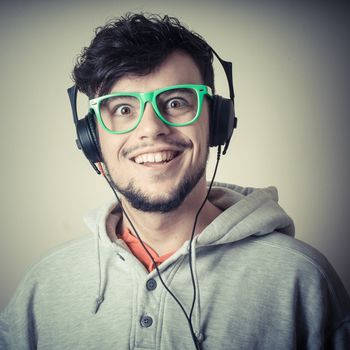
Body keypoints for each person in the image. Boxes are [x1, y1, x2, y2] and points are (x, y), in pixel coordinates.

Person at [1, 13, 349, 350]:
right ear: (91, 139)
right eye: (122, 109)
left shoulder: (303, 280)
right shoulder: (44, 284)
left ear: (217, 122)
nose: (151, 128)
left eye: (177, 102)